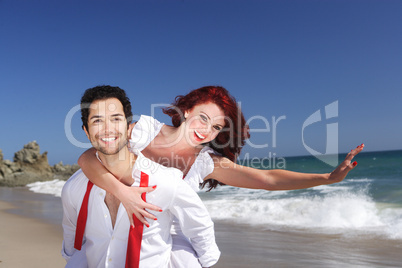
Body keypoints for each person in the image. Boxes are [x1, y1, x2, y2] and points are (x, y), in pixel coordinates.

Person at [78, 85, 364, 266]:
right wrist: (122, 192)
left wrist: (327, 178)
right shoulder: (142, 130)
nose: (206, 129)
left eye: (215, 127)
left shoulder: (206, 164)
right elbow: (88, 158)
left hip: (159, 243)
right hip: (110, 226)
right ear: (187, 111)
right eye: (203, 117)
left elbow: (266, 180)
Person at [61, 85, 220, 268]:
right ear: (86, 132)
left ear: (128, 127)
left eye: (116, 119)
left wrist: (204, 262)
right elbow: (72, 239)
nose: (107, 129)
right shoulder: (74, 188)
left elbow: (201, 226)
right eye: (97, 121)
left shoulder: (163, 181)